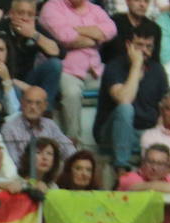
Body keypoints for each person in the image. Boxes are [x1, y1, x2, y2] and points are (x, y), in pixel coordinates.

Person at [40, 0, 118, 144]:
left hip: (96, 70)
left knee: (119, 85)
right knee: (72, 94)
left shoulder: (94, 8)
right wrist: (95, 37)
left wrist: (76, 29)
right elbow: (64, 37)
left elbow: (111, 29)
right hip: (67, 70)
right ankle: (73, 143)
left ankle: (109, 140)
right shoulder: (52, 7)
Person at [98, 29, 170, 170]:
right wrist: (136, 65)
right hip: (112, 133)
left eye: (148, 46)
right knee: (125, 109)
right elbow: (125, 99)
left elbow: (164, 107)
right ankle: (121, 166)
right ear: (128, 45)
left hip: (145, 132)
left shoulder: (157, 70)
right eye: (139, 45)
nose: (144, 50)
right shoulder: (114, 66)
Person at [0, 0, 64, 107]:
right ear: (11, 14)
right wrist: (22, 85)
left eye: (30, 14)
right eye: (21, 13)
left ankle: (44, 112)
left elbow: (60, 53)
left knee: (55, 65)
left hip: (28, 79)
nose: (25, 18)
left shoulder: (35, 30)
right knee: (14, 89)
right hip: (4, 81)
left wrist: (33, 34)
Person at [1, 85, 76, 168]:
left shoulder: (50, 125)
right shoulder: (9, 128)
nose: (33, 107)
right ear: (21, 103)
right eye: (29, 102)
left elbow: (68, 149)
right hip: (23, 177)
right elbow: (13, 163)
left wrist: (77, 163)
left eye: (38, 103)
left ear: (45, 106)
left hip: (48, 175)